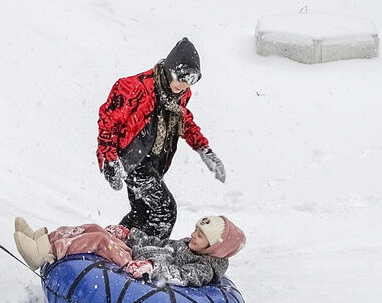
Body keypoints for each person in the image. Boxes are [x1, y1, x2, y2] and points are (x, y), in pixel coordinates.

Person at [96, 37, 225, 240]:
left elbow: (185, 120)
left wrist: (204, 150)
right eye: (182, 78)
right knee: (165, 212)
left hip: (154, 163)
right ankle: (149, 256)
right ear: (171, 69)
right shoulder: (135, 88)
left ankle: (111, 246)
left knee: (141, 215)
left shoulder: (179, 94)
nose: (184, 85)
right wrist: (109, 161)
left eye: (191, 81)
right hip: (133, 161)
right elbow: (108, 123)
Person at [13, 215, 245, 288]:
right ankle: (43, 238)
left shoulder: (205, 267)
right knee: (95, 227)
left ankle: (41, 253)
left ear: (215, 247)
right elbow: (158, 243)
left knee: (99, 240)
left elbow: (183, 276)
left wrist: (151, 267)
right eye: (196, 229)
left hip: (136, 266)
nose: (193, 235)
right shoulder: (188, 245)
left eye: (200, 235)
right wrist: (129, 233)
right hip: (137, 254)